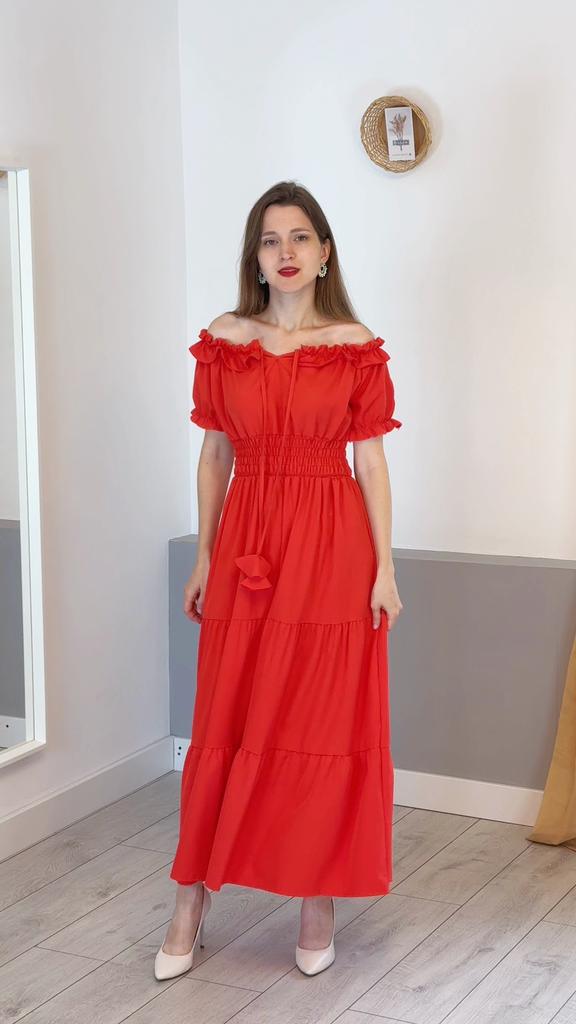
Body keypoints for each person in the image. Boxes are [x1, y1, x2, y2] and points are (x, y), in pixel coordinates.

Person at [154, 180, 403, 981]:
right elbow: (215, 454)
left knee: (320, 718)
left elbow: (371, 463)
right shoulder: (225, 340)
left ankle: (315, 897)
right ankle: (190, 900)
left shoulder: (356, 344)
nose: (286, 252)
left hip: (332, 546)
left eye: (300, 237)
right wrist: (204, 555)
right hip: (247, 542)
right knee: (225, 711)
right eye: (270, 239)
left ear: (325, 252)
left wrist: (385, 569)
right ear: (254, 256)